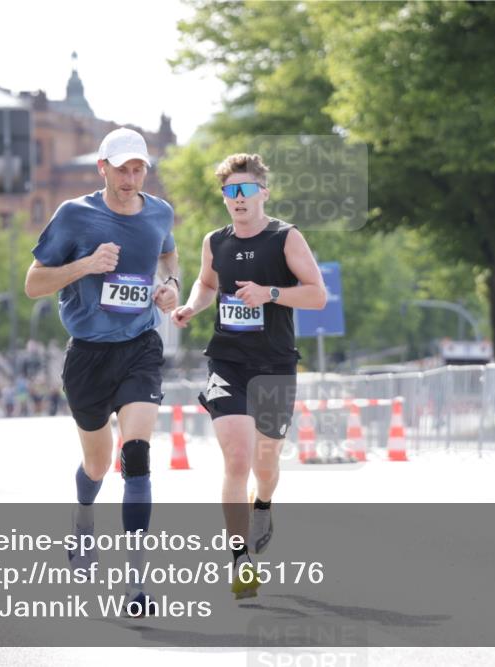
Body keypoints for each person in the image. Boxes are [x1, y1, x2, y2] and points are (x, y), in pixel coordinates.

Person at [25, 127, 179, 615]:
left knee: (136, 455)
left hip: (140, 345)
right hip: (88, 355)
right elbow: (33, 284)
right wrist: (86, 265)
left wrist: (170, 283)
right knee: (97, 464)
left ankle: (136, 584)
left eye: (139, 169)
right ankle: (83, 519)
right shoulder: (74, 215)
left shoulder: (159, 212)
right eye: (123, 169)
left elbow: (167, 251)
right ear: (103, 168)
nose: (132, 178)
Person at [172, 153, 327, 599]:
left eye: (244, 190)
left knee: (266, 461)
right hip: (228, 362)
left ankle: (264, 503)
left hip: (275, 363)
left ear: (263, 192)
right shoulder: (214, 241)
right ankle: (239, 558)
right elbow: (206, 284)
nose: (237, 199)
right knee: (237, 458)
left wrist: (270, 294)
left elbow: (317, 295)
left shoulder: (285, 238)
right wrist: (190, 305)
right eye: (229, 192)